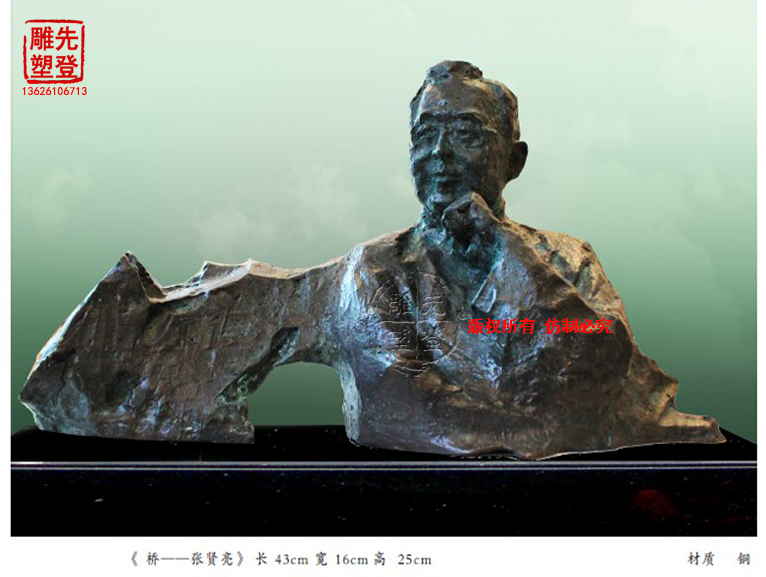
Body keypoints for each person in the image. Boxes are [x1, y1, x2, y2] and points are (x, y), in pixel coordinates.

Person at [20, 61, 724, 458]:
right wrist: (532, 430)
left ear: (513, 160)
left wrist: (504, 252)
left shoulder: (566, 258)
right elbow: (403, 403)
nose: (439, 154)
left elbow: (593, 360)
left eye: (465, 134)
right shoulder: (378, 269)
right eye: (424, 135)